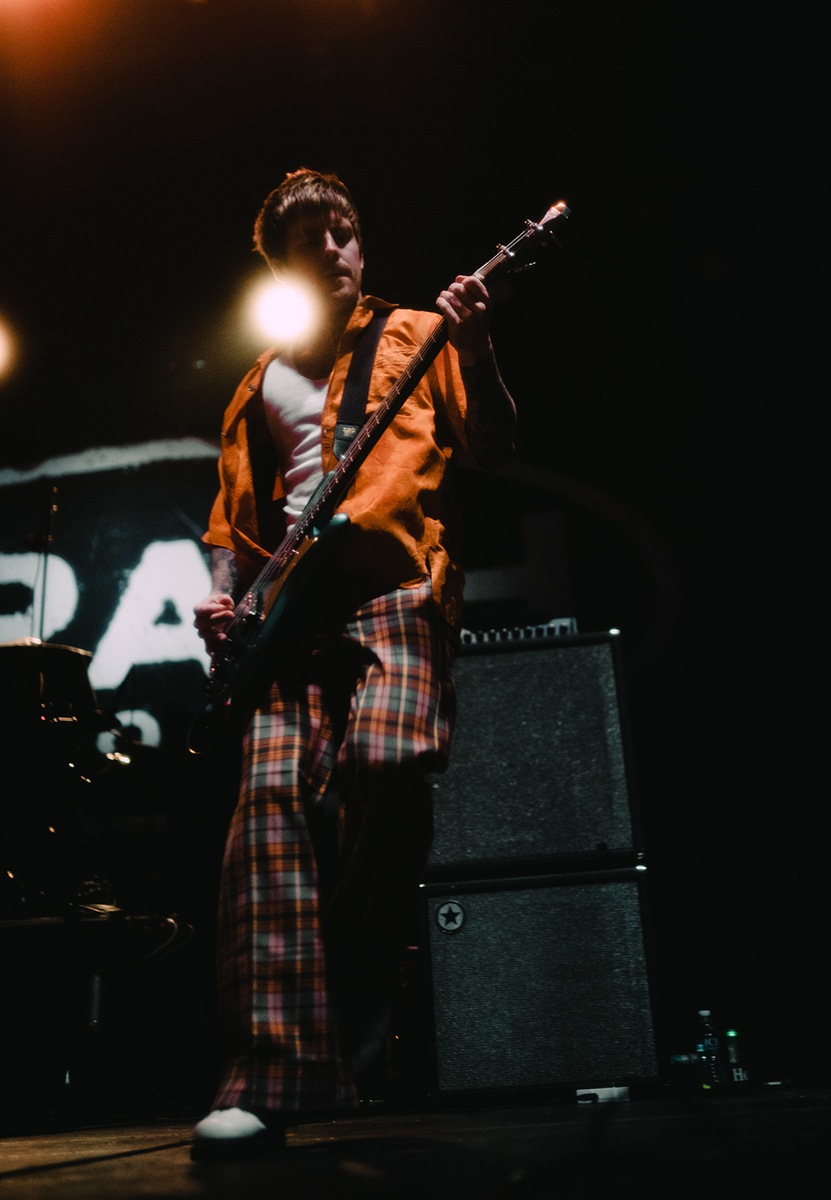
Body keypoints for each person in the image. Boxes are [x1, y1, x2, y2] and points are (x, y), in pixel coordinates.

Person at [190, 167, 516, 1159]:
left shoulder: (418, 334)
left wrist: (476, 343)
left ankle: (358, 1002)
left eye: (344, 233)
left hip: (395, 592)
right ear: (281, 266)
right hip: (288, 623)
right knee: (267, 822)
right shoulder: (256, 384)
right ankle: (272, 1079)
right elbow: (232, 525)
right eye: (310, 241)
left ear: (361, 245)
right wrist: (222, 600)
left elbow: (492, 444)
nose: (332, 249)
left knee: (386, 762)